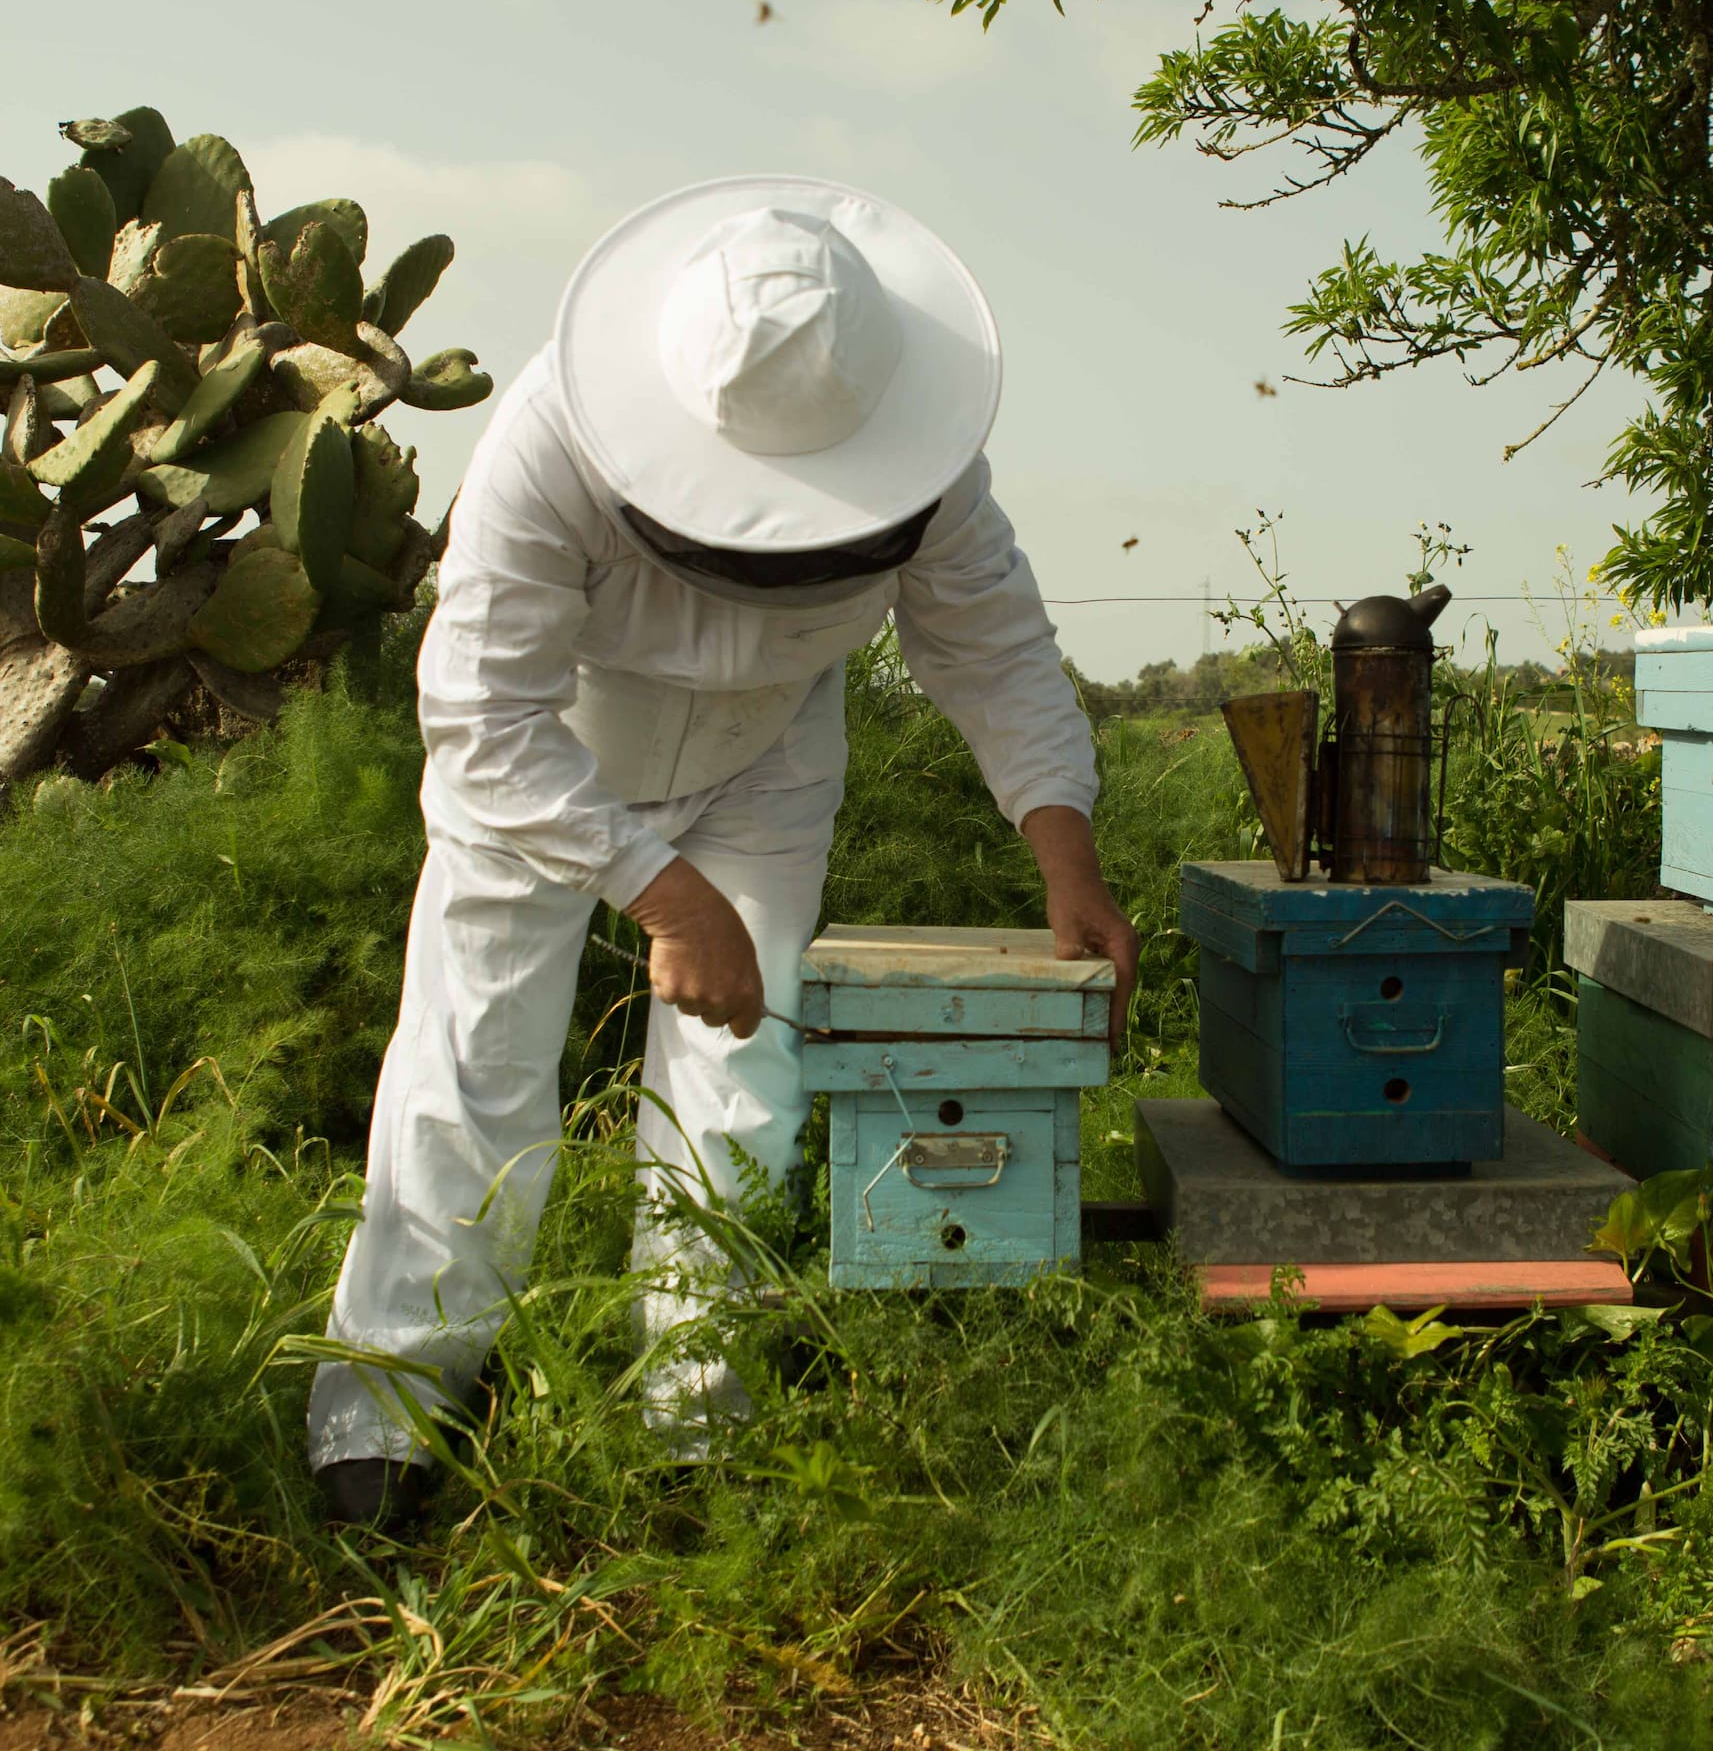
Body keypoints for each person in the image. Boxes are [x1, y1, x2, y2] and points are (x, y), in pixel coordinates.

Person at [307, 175, 1139, 1524]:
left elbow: (995, 652)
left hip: (768, 761)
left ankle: (698, 1426)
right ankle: (385, 1423)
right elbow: (478, 712)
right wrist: (660, 892)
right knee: (475, 1069)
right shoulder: (545, 439)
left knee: (741, 1082)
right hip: (548, 759)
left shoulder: (930, 463)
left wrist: (1069, 855)